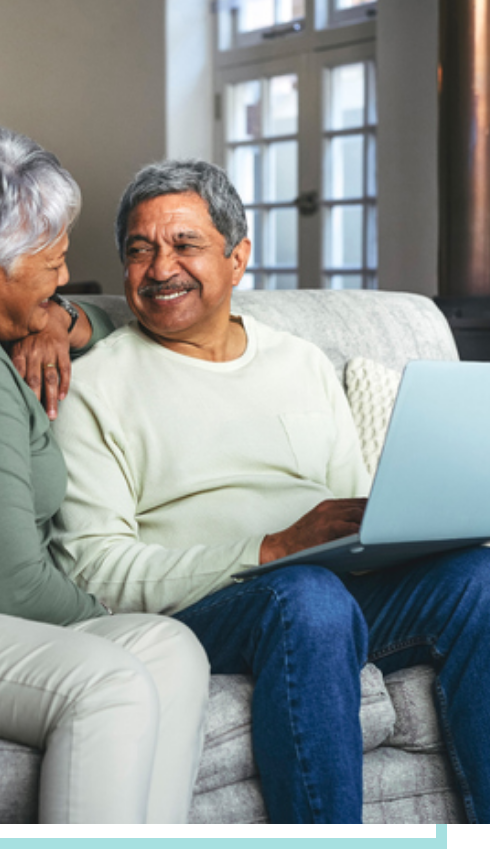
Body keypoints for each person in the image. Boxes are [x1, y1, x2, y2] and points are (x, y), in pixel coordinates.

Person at [51, 159, 489, 824]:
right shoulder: (93, 386)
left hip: (327, 590)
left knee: (477, 576)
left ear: (237, 257)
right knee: (306, 597)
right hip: (206, 607)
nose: (160, 267)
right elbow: (92, 569)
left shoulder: (301, 362)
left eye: (184, 244)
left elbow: (350, 516)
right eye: (139, 250)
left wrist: (413, 527)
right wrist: (272, 547)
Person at [0, 127, 211, 826]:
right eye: (53, 262)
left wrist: (58, 320)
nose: (65, 276)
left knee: (169, 647)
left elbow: (106, 313)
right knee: (111, 682)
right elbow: (4, 582)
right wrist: (99, 619)